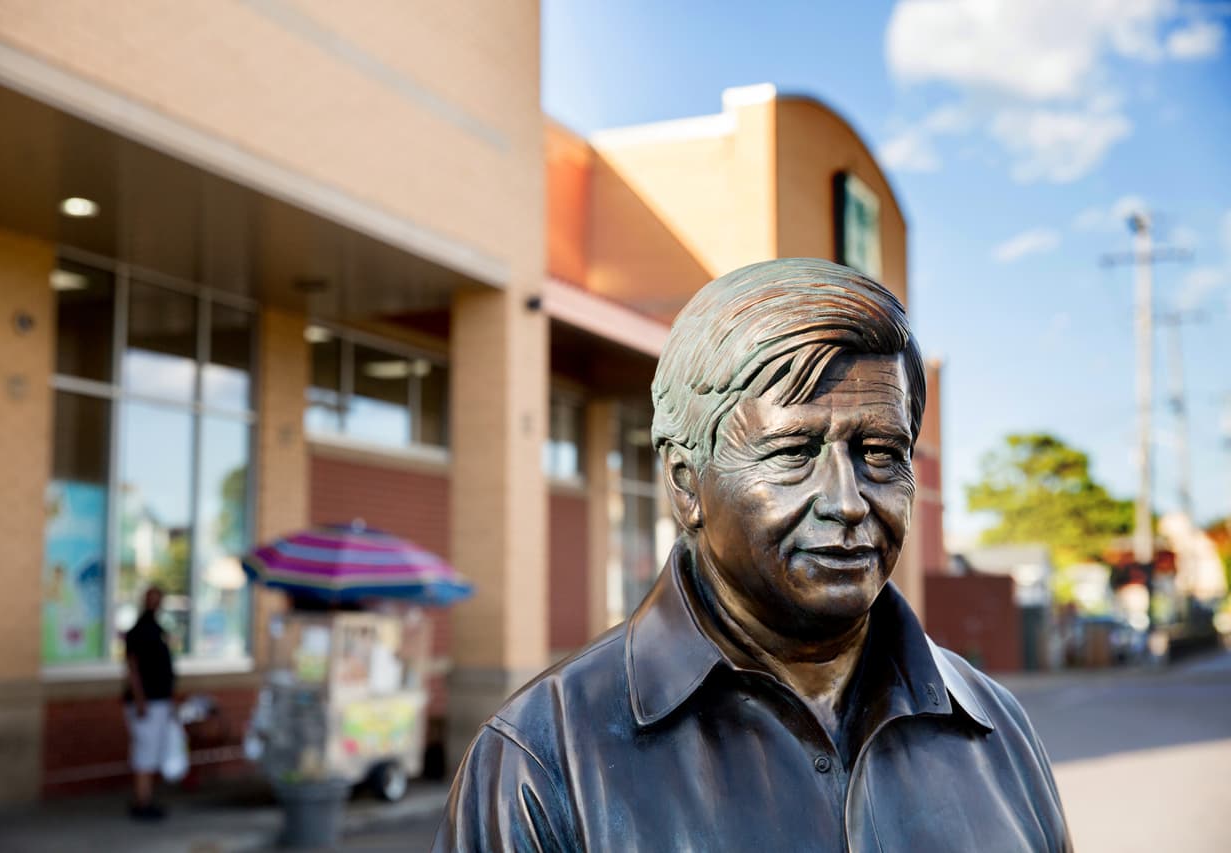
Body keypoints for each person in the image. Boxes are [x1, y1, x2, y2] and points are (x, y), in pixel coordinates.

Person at [435, 259, 1071, 851]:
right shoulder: (541, 759)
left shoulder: (998, 731)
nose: (848, 502)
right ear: (687, 485)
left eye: (880, 452)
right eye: (794, 453)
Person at [123, 585, 175, 820]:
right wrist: (140, 699)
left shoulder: (156, 629)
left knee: (151, 752)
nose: (155, 603)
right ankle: (142, 801)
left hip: (158, 701)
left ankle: (145, 798)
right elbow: (132, 667)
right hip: (147, 703)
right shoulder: (139, 631)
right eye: (151, 599)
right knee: (145, 752)